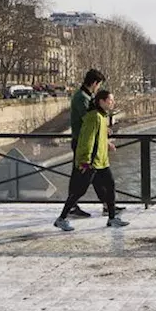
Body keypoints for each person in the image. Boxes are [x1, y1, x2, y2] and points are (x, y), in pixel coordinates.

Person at [55, 90, 128, 231]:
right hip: (92, 162)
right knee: (79, 192)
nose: (113, 103)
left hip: (102, 161)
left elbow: (98, 138)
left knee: (111, 186)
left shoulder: (101, 116)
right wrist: (84, 161)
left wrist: (107, 145)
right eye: (110, 100)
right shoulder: (93, 117)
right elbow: (86, 140)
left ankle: (112, 218)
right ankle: (61, 218)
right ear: (101, 101)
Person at [65, 69, 106, 218]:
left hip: (86, 142)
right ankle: (71, 206)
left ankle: (107, 203)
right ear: (94, 83)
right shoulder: (82, 98)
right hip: (83, 143)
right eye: (99, 84)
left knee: (96, 174)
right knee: (81, 175)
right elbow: (89, 120)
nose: (98, 88)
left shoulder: (85, 96)